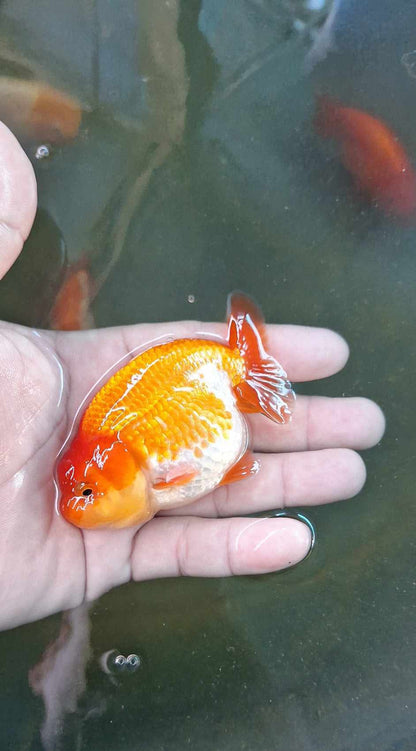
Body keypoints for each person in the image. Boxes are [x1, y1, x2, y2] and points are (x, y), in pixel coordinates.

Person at [0, 122, 385, 631]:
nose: (77, 506)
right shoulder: (115, 453)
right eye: (83, 494)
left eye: (86, 495)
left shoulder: (145, 460)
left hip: (208, 376)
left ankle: (246, 366)